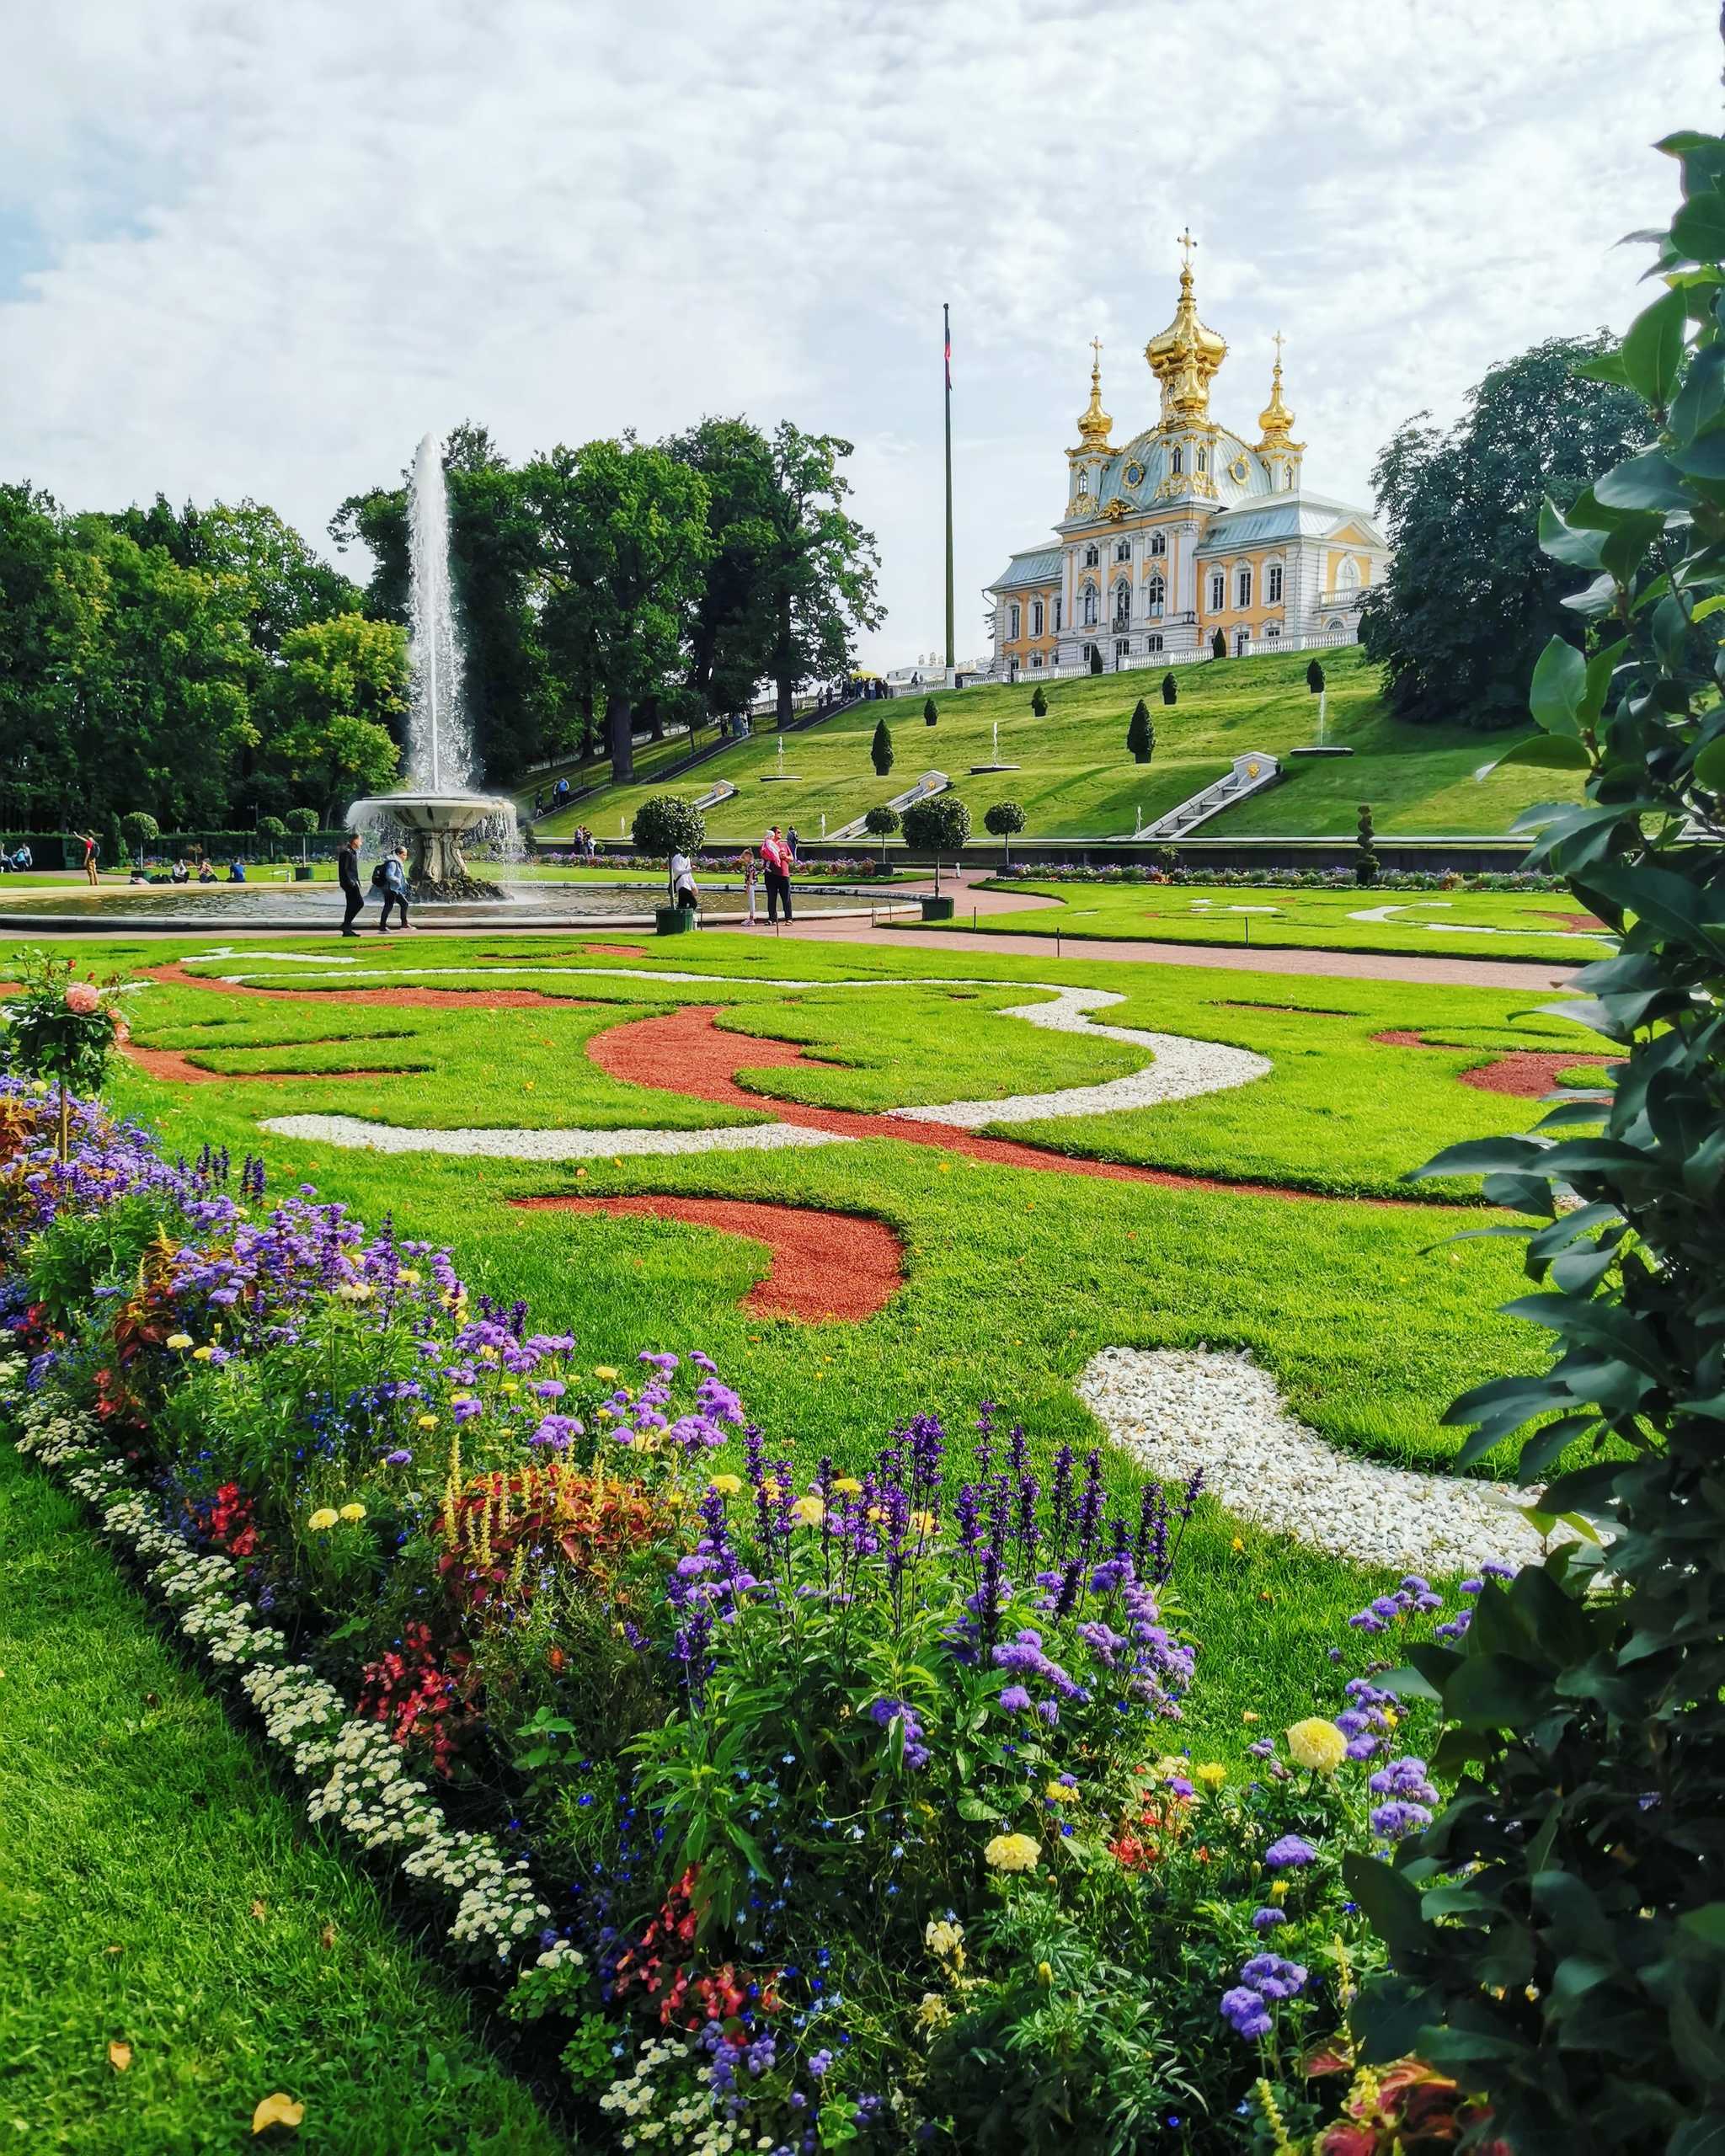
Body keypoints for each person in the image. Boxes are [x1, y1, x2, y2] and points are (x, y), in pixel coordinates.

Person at [761, 826, 793, 924]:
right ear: (773, 834)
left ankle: (789, 918)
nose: (780, 834)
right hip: (771, 874)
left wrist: (785, 857)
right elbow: (764, 855)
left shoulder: (784, 845)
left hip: (784, 874)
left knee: (786, 897)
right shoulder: (767, 845)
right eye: (778, 832)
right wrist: (774, 856)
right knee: (771, 897)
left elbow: (791, 858)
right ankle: (772, 919)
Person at [377, 846, 411, 932]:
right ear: (398, 854)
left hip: (394, 889)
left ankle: (404, 924)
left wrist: (404, 883)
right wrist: (398, 881)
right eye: (404, 855)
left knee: (404, 904)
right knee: (389, 906)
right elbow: (389, 875)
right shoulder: (393, 863)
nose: (405, 857)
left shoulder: (397, 862)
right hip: (390, 889)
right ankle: (383, 927)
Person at [337, 830, 365, 937]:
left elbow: (353, 870)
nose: (361, 842)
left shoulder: (352, 852)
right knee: (359, 903)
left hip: (352, 882)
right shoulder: (347, 852)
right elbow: (344, 870)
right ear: (354, 840)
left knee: (351, 905)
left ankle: (346, 928)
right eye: (360, 840)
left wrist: (357, 881)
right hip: (349, 883)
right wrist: (351, 882)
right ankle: (346, 925)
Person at [668, 844, 698, 915]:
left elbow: (689, 875)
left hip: (686, 885)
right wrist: (690, 870)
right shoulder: (676, 858)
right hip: (681, 886)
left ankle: (683, 919)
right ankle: (687, 918)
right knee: (693, 904)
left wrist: (693, 886)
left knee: (682, 905)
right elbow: (677, 871)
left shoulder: (687, 858)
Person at [742, 848, 759, 926]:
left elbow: (750, 877)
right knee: (750, 901)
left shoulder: (751, 865)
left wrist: (748, 887)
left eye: (744, 857)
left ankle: (752, 919)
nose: (744, 859)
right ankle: (750, 918)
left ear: (749, 856)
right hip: (751, 884)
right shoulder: (750, 865)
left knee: (752, 902)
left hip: (751, 885)